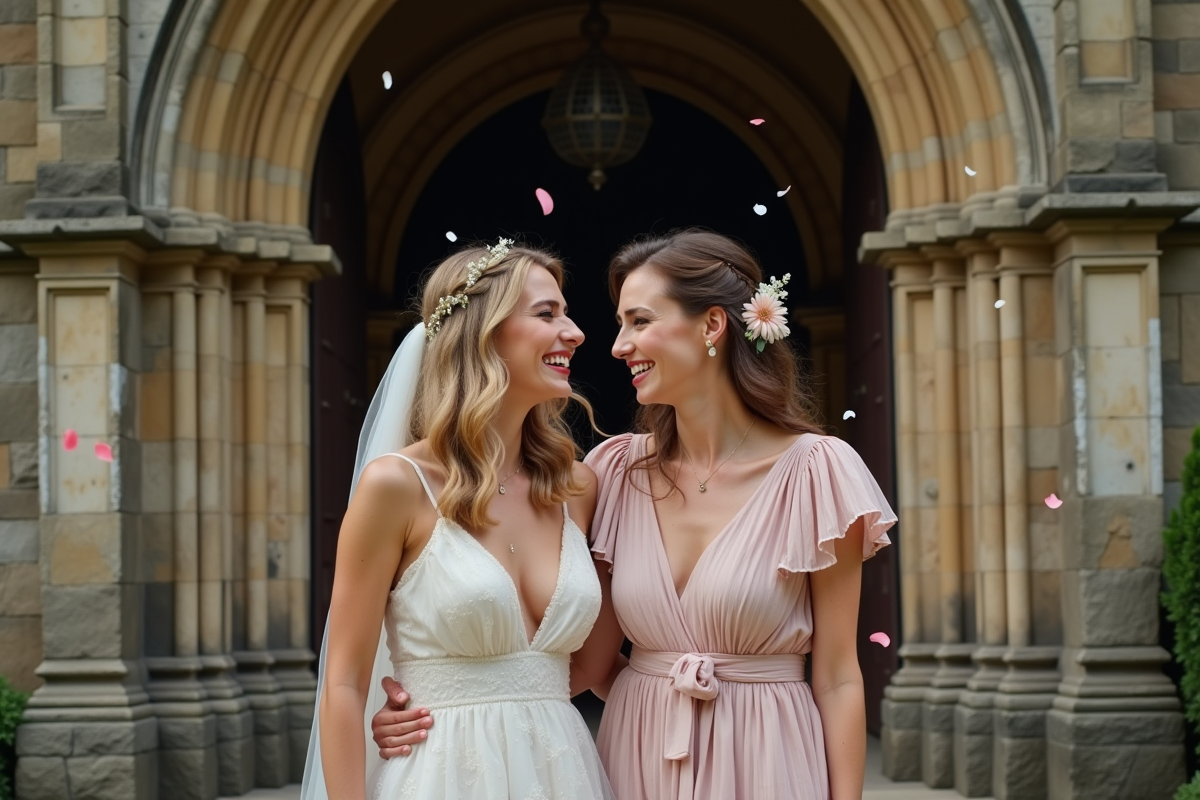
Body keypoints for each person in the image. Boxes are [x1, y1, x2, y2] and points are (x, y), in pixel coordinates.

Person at [371, 230, 896, 800]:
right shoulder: (613, 474)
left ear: (712, 326)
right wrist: (435, 709)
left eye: (640, 321)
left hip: (769, 754)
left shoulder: (818, 470)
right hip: (637, 754)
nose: (618, 345)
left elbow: (840, 675)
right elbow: (584, 663)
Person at [302, 239, 618, 800]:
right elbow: (344, 683)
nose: (575, 332)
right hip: (440, 776)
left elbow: (585, 668)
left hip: (562, 773)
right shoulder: (397, 486)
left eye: (565, 314)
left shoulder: (577, 487)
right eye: (547, 314)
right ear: (482, 332)